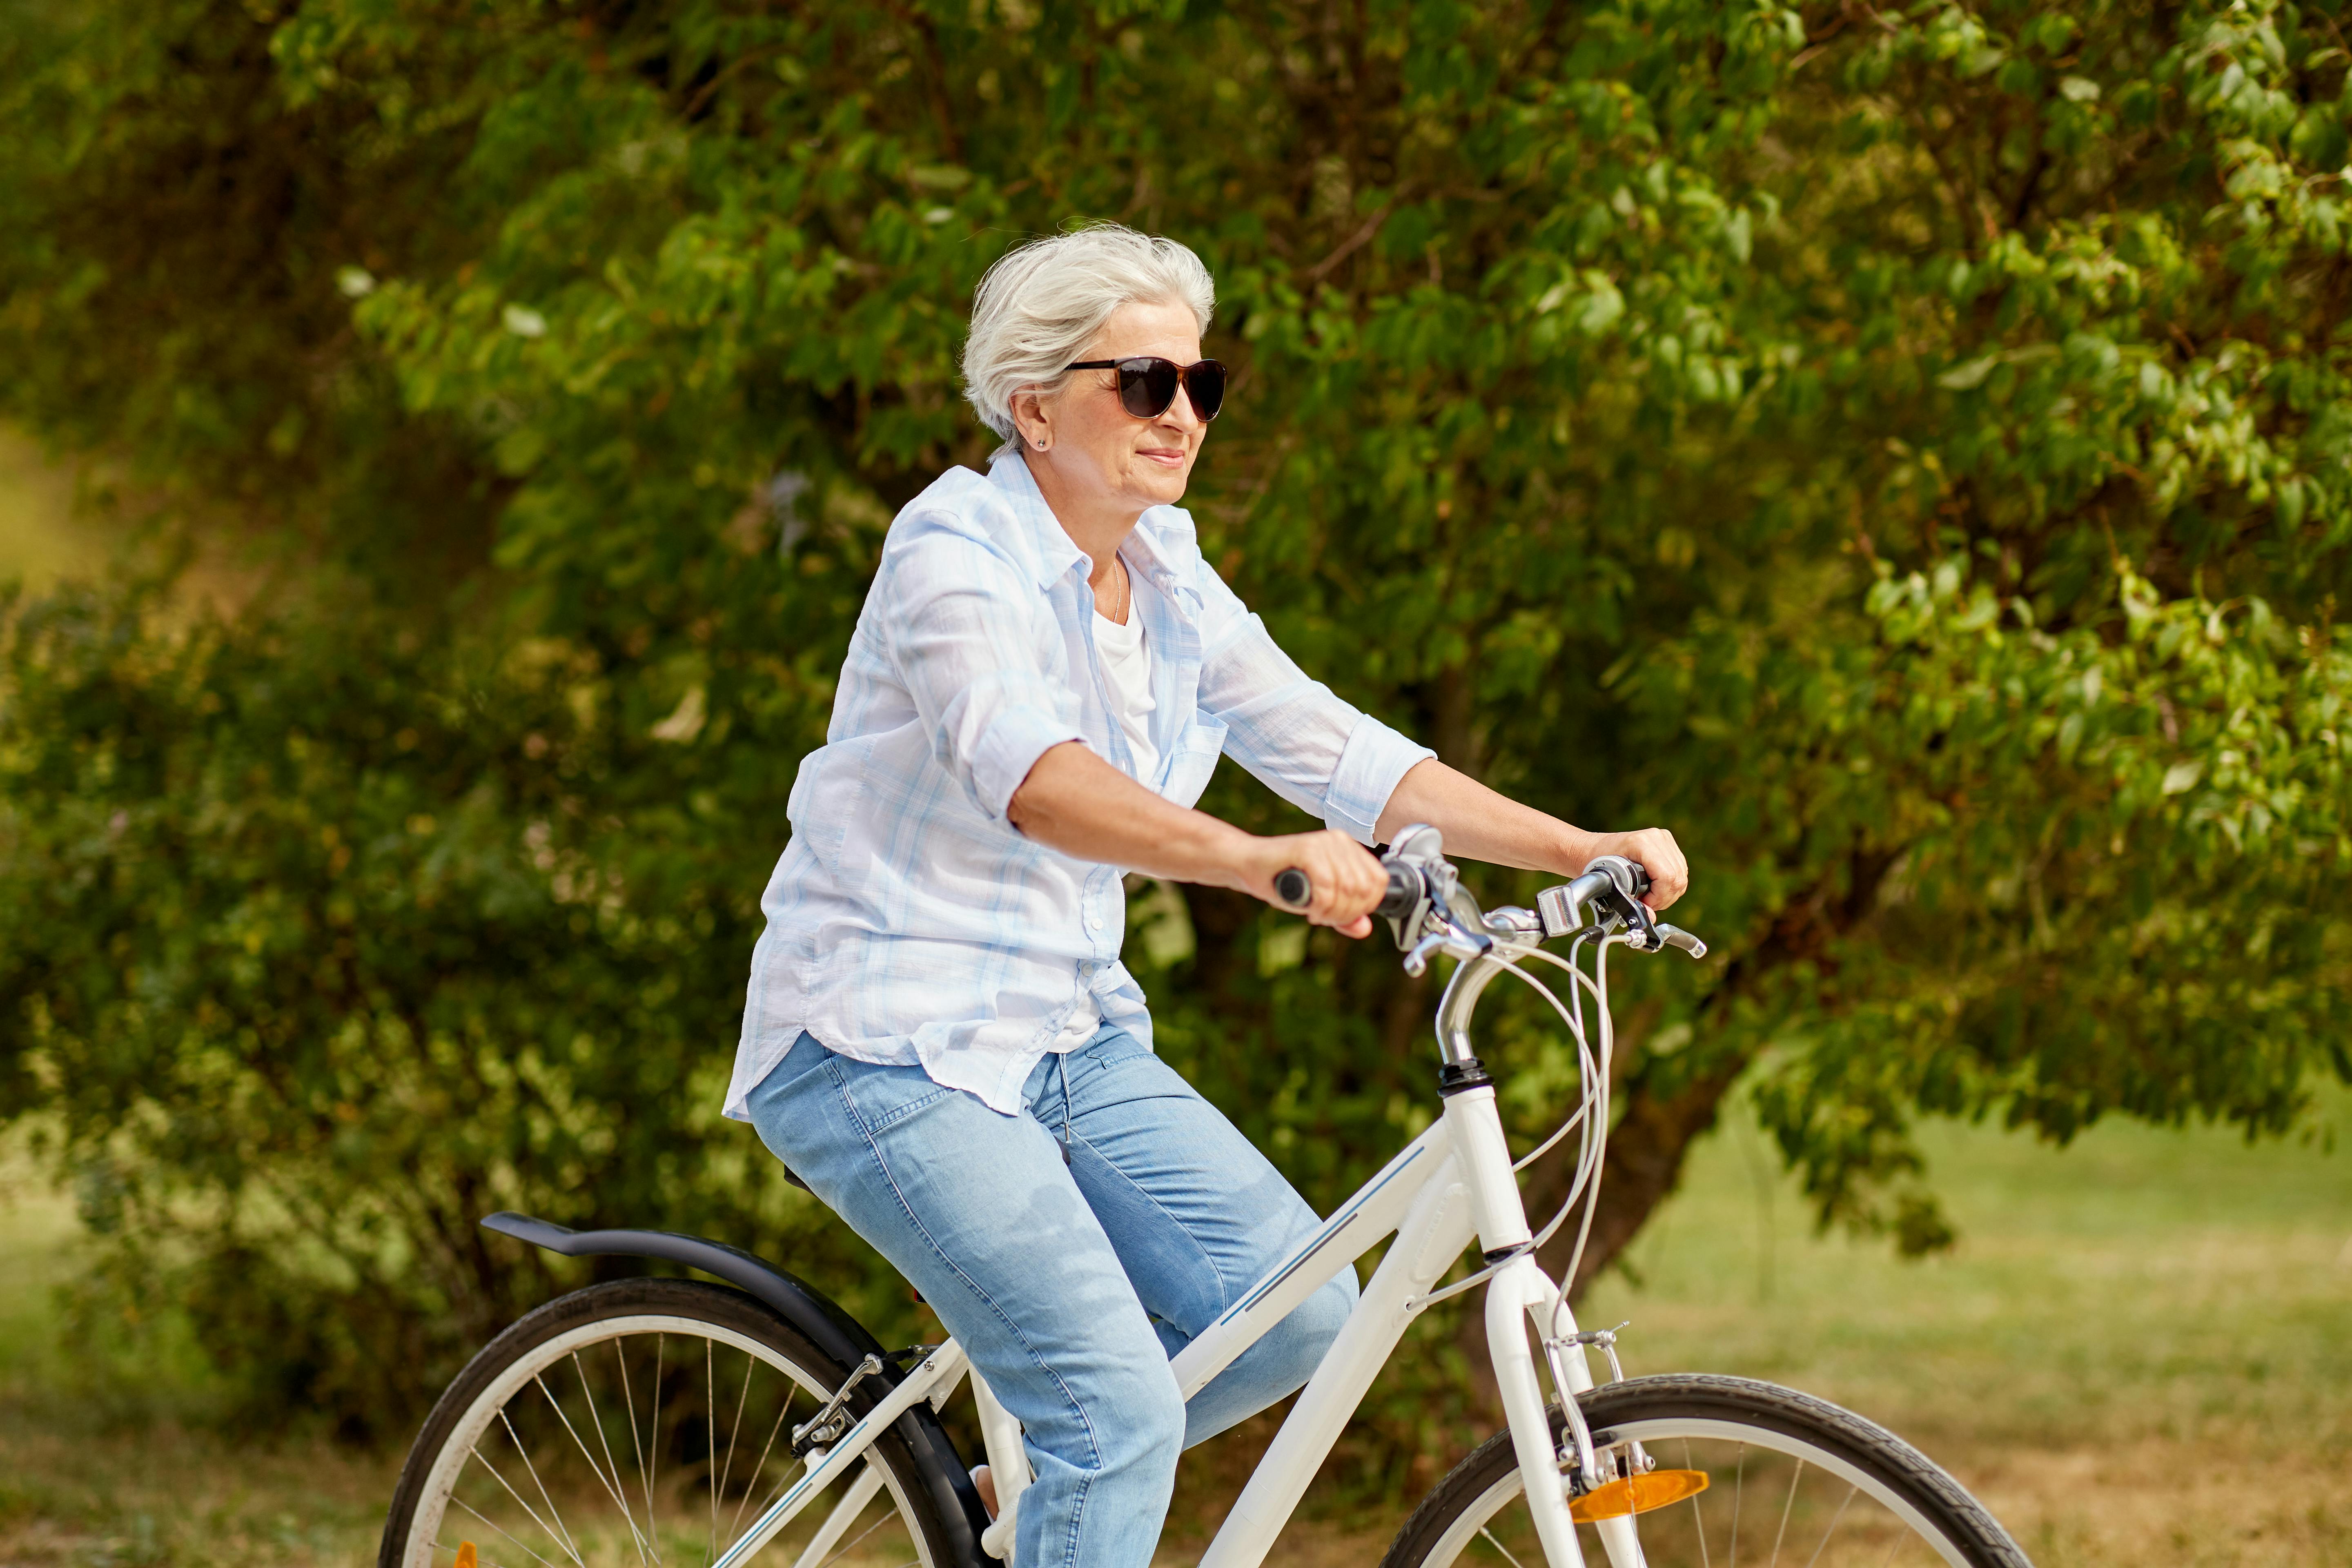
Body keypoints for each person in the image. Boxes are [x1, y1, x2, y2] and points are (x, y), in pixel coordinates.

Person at [727, 223, 1686, 1566]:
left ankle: (1040, 1506)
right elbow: (1033, 779)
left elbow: (1334, 746)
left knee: (1294, 1314)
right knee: (1115, 1414)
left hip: (1067, 1033)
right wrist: (1248, 855)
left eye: (1201, 385)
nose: (1182, 414)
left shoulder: (1167, 569)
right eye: (1144, 384)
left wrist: (1576, 843)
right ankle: (1082, 1470)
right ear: (1035, 406)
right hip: (885, 1041)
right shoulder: (952, 549)